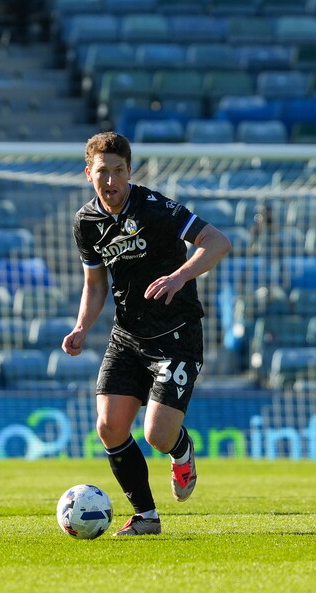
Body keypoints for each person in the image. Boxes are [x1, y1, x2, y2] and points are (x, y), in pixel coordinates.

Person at [63, 131, 231, 536]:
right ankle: (146, 516)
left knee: (157, 435)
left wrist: (180, 275)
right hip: (127, 336)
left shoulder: (154, 207)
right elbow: (95, 284)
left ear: (129, 171)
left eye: (118, 171)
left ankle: (181, 450)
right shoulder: (86, 222)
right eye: (103, 171)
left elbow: (217, 242)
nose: (111, 180)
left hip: (176, 332)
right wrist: (82, 326)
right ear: (89, 173)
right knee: (109, 426)